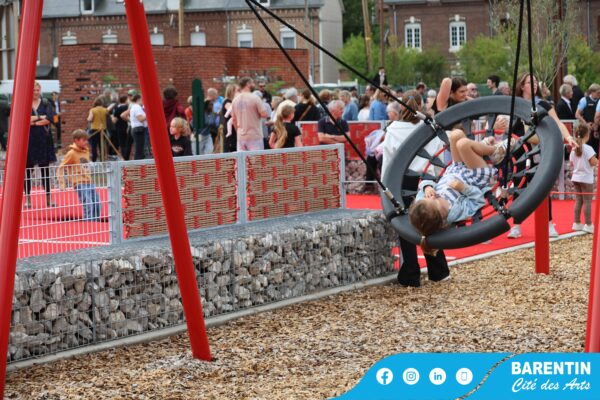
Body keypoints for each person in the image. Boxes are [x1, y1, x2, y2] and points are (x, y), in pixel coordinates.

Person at [381, 91, 450, 286]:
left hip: (401, 182)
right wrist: (435, 180)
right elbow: (438, 157)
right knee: (430, 222)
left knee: (405, 226)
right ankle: (439, 271)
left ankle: (411, 273)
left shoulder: (393, 129)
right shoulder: (428, 128)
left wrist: (386, 187)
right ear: (420, 105)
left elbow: (388, 162)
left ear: (400, 106)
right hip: (426, 181)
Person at [409, 129, 508, 256]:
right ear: (441, 215)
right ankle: (495, 151)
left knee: (456, 135)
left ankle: (480, 149)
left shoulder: (422, 204)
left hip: (456, 169)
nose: (432, 197)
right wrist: (463, 188)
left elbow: (423, 185)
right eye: (435, 201)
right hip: (475, 176)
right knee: (463, 145)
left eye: (428, 197)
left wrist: (427, 187)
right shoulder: (455, 211)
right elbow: (477, 200)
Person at [506, 73, 577, 239]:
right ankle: (516, 225)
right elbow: (507, 127)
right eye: (530, 82)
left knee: (543, 186)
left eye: (535, 81)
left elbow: (557, 122)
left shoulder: (543, 104)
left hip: (539, 148)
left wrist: (568, 137)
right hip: (520, 151)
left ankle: (549, 223)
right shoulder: (515, 105)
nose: (534, 84)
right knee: (519, 185)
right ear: (522, 86)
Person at [57, 130, 101, 221]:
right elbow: (61, 167)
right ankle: (89, 223)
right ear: (76, 140)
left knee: (97, 203)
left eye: (87, 140)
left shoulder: (86, 151)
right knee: (88, 204)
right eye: (84, 140)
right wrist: (62, 183)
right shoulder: (71, 153)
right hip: (79, 183)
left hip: (89, 182)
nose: (86, 142)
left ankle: (95, 223)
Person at [26, 82, 56, 208]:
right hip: (29, 140)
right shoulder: (25, 103)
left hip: (44, 139)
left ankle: (48, 198)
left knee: (45, 170)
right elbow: (24, 119)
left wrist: (33, 121)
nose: (36, 92)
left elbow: (49, 118)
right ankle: (28, 199)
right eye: (34, 90)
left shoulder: (46, 102)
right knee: (28, 171)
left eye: (38, 90)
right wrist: (40, 117)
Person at [570, 124, 597, 234]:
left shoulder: (573, 149)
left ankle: (576, 222)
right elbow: (593, 162)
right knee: (587, 202)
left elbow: (572, 163)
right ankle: (588, 224)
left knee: (578, 201)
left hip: (576, 177)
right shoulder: (588, 148)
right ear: (587, 135)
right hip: (586, 178)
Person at [231, 77, 268, 151]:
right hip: (254, 136)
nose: (254, 85)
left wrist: (238, 131)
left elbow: (234, 119)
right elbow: (264, 114)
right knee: (255, 158)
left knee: (242, 158)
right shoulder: (255, 98)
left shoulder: (235, 100)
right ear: (248, 84)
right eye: (252, 83)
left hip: (240, 136)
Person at [576, 83, 600, 151]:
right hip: (587, 128)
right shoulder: (584, 100)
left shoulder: (599, 100)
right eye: (598, 93)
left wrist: (596, 125)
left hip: (597, 128)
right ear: (592, 92)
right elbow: (577, 114)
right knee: (587, 148)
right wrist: (586, 124)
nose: (599, 94)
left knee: (596, 149)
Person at [87, 97, 108, 162]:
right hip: (103, 130)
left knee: (94, 146)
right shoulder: (105, 110)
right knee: (102, 146)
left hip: (94, 130)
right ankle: (102, 160)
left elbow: (89, 119)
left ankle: (94, 160)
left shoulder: (92, 110)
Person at [112, 95, 131, 160]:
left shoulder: (117, 108)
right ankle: (127, 157)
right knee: (129, 143)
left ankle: (125, 158)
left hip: (120, 128)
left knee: (122, 144)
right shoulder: (128, 107)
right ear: (125, 100)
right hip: (129, 127)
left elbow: (114, 120)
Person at [220, 84, 238, 153]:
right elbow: (233, 113)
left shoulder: (231, 102)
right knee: (230, 151)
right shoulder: (227, 102)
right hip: (230, 131)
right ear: (232, 91)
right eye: (237, 91)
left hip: (233, 130)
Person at [129, 94, 148, 160]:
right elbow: (140, 118)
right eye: (142, 99)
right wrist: (149, 113)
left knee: (139, 148)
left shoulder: (136, 107)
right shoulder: (137, 107)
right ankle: (138, 162)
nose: (143, 101)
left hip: (137, 129)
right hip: (138, 129)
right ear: (138, 99)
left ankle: (138, 161)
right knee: (139, 149)